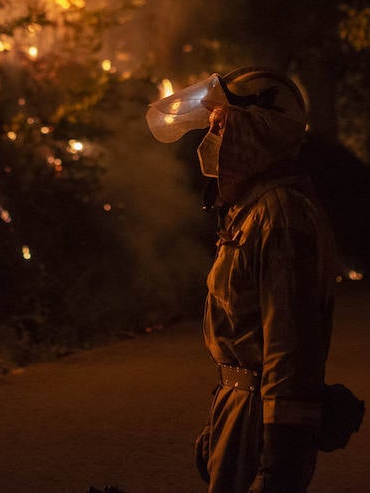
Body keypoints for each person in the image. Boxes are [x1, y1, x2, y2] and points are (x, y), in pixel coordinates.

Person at [148, 67, 354, 493]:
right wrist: (223, 416)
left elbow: (288, 346)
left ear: (261, 131)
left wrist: (279, 457)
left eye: (222, 124)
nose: (212, 137)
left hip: (260, 414)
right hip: (242, 408)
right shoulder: (253, 211)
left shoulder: (279, 215)